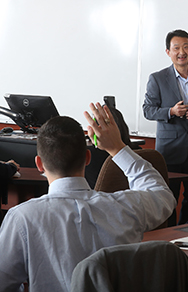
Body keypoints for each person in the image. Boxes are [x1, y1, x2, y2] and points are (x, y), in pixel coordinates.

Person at [0, 103, 176, 292]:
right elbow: (162, 194)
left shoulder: (23, 218)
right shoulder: (126, 206)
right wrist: (117, 148)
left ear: (39, 164)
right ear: (87, 158)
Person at [143, 29, 188, 226]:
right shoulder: (157, 78)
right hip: (170, 151)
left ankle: (186, 234)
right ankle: (170, 237)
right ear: (168, 52)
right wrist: (171, 112)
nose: (181, 52)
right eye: (176, 48)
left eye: (185, 47)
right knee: (168, 199)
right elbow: (148, 110)